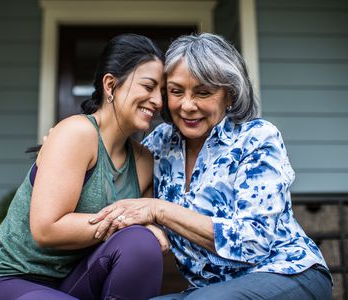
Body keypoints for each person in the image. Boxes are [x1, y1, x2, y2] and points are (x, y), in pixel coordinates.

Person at [89, 33, 333, 299]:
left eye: (203, 92)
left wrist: (159, 210)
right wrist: (66, 148)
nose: (187, 105)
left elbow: (253, 242)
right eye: (176, 91)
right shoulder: (159, 144)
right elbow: (119, 191)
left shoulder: (257, 138)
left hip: (288, 272)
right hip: (210, 291)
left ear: (229, 95)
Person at [0, 33, 168, 300]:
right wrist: (128, 223)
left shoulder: (143, 161)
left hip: (74, 284)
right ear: (110, 85)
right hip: (9, 280)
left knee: (141, 244)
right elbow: (47, 229)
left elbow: (143, 235)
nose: (158, 101)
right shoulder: (77, 133)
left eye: (162, 92)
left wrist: (145, 229)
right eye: (148, 86)